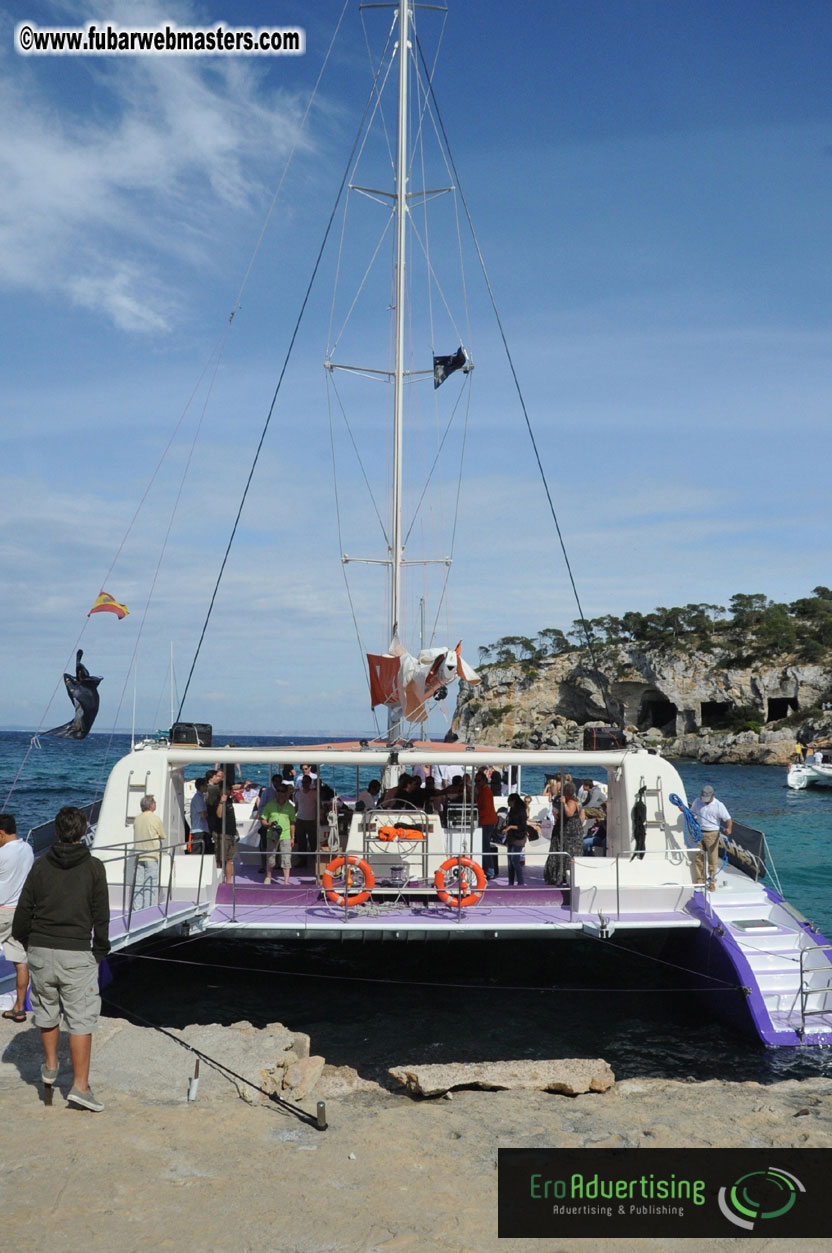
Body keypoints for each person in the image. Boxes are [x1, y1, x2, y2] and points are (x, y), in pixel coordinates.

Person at [12, 806, 110, 1112]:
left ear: (57, 832)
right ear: (82, 832)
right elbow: (101, 916)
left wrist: (31, 944)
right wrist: (99, 952)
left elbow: (23, 914)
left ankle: (51, 1068)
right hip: (76, 951)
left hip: (40, 950)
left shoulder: (41, 867)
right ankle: (80, 1088)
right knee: (80, 1019)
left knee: (47, 1011)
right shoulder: (94, 867)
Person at [0, 814, 35, 1023]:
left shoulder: (2, 853)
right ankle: (19, 1008)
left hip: (2, 911)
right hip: (20, 913)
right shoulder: (28, 849)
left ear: (1, 833)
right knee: (21, 962)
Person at [689, 785, 731, 891]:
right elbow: (691, 813)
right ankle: (700, 879)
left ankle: (712, 880)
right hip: (698, 832)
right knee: (699, 857)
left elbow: (728, 819)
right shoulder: (697, 801)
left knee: (712, 859)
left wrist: (728, 828)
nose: (705, 801)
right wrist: (683, 810)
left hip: (712, 833)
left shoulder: (719, 805)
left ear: (712, 796)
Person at [545, 782, 585, 887]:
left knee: (567, 853)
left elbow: (569, 813)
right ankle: (557, 875)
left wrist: (563, 803)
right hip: (565, 831)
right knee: (559, 851)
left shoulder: (571, 802)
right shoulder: (574, 801)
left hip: (570, 833)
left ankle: (562, 876)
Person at [259, 782, 296, 885]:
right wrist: (268, 824)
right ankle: (268, 877)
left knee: (286, 858)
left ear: (286, 793)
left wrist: (293, 837)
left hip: (286, 835)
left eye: (282, 791)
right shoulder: (269, 805)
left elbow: (292, 823)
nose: (280, 793)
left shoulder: (290, 807)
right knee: (270, 858)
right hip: (271, 835)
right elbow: (263, 819)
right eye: (278, 791)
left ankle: (286, 881)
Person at [132, 794, 165, 909]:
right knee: (150, 884)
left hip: (139, 855)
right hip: (151, 855)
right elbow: (162, 835)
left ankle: (136, 908)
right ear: (151, 805)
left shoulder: (137, 819)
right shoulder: (154, 818)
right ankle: (148, 909)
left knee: (138, 884)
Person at [475, 770, 499, 880]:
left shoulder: (485, 791)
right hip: (486, 821)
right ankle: (488, 869)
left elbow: (485, 808)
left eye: (479, 781)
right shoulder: (482, 791)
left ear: (484, 780)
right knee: (484, 846)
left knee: (485, 846)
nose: (477, 783)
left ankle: (490, 870)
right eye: (476, 781)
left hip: (487, 822)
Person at [293, 773, 318, 872]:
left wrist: (317, 819)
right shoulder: (297, 793)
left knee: (313, 842)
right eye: (303, 782)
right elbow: (296, 807)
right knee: (301, 842)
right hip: (300, 820)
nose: (304, 784)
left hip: (311, 820)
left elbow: (318, 806)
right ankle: (302, 860)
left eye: (306, 782)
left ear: (310, 783)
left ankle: (316, 860)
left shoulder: (315, 793)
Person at [502, 794, 529, 886]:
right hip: (511, 837)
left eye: (509, 800)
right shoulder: (512, 810)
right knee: (510, 862)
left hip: (518, 838)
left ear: (513, 801)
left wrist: (510, 827)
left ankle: (520, 882)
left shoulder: (521, 811)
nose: (508, 802)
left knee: (515, 861)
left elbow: (522, 826)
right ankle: (511, 882)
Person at [188, 777, 210, 854]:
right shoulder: (197, 798)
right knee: (197, 851)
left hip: (202, 829)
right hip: (198, 830)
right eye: (205, 785)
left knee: (203, 851)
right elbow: (203, 814)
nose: (207, 787)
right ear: (201, 786)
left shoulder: (201, 797)